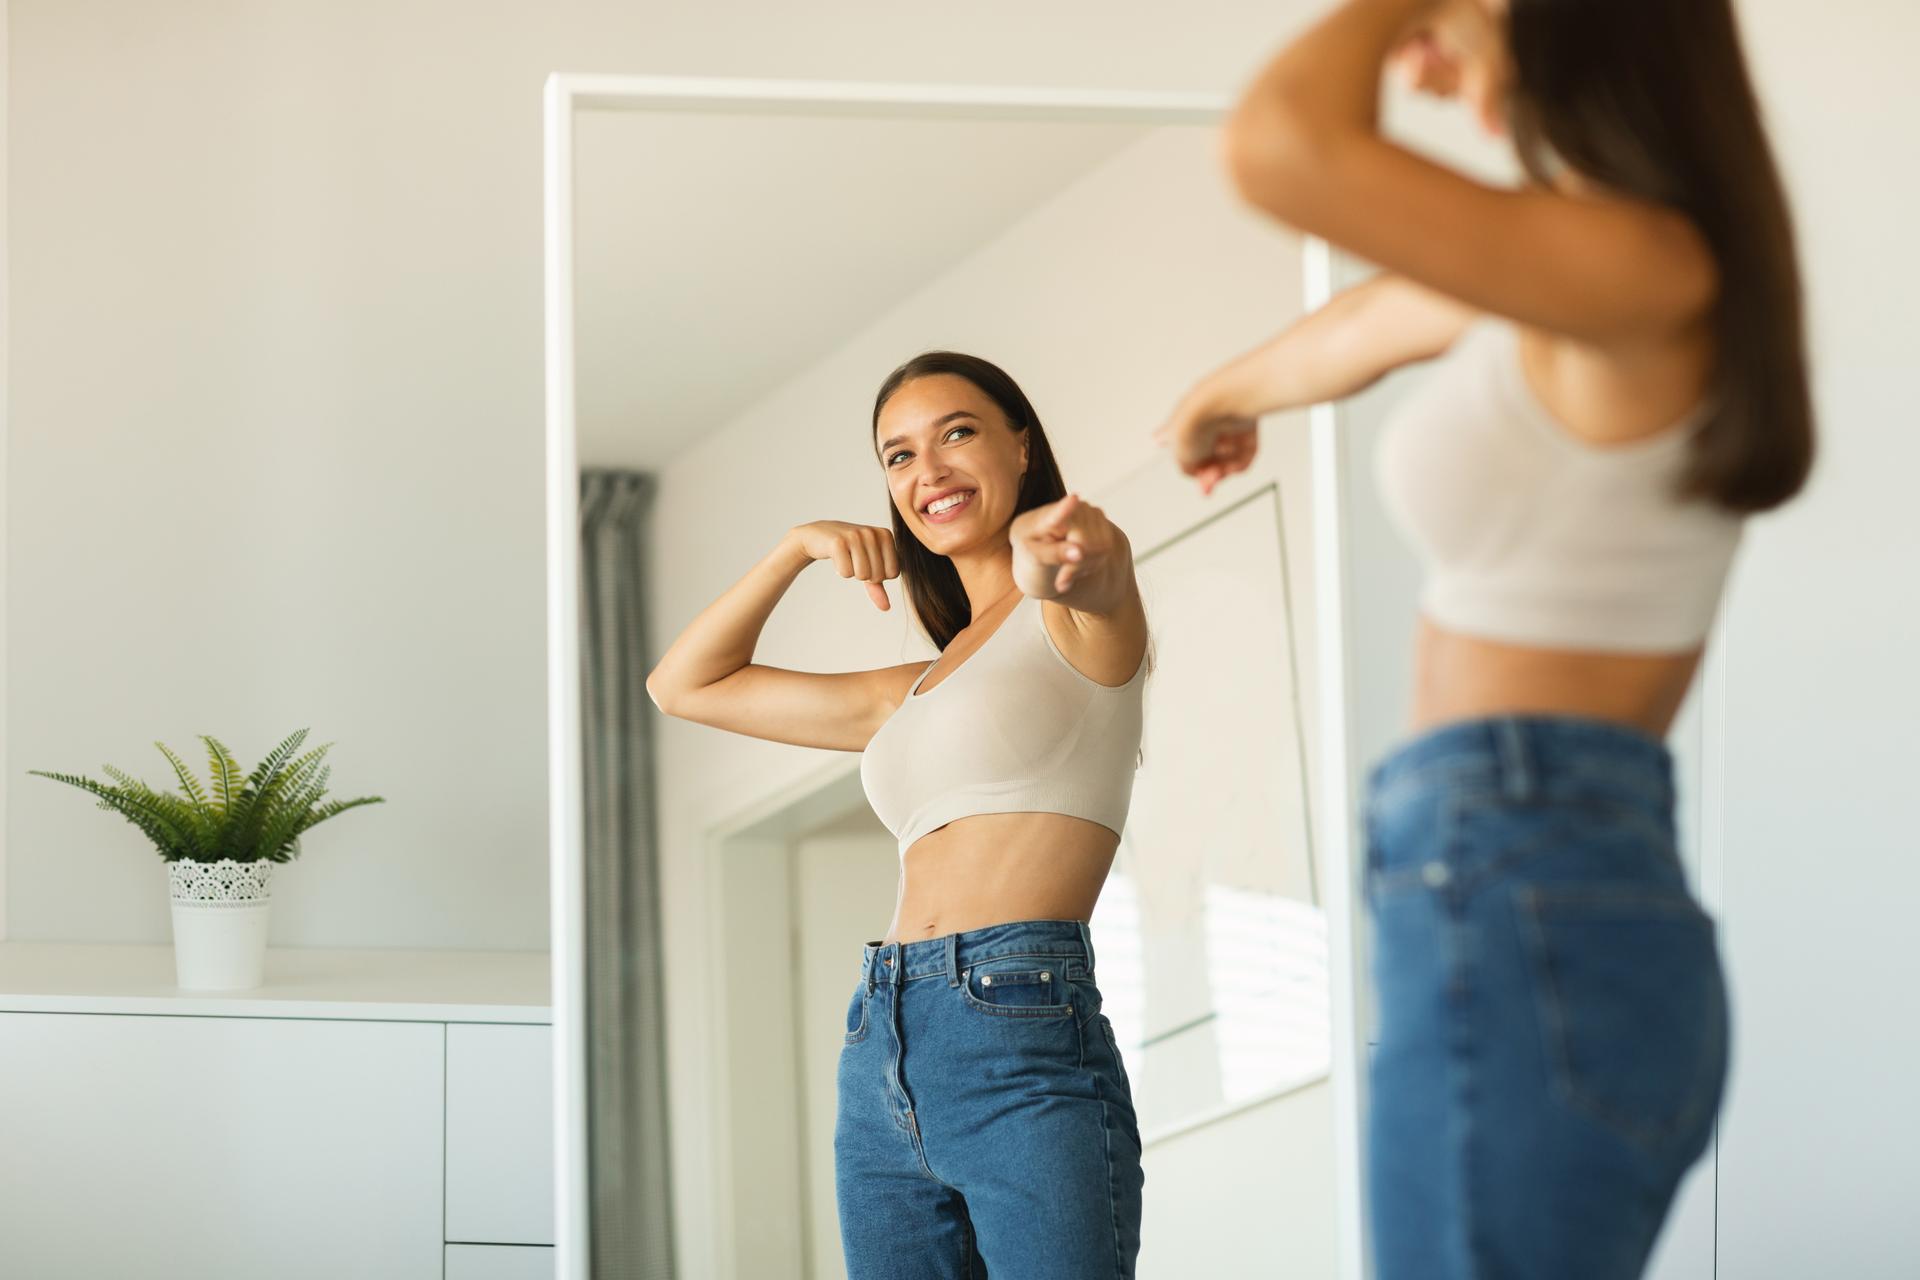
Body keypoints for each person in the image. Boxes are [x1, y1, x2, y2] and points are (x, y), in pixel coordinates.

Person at [1158, 1, 1814, 1275]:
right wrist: (1222, 394)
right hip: (1521, 877)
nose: (1414, 54)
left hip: (1528, 870)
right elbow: (1370, 322)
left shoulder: (1642, 264)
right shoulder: (1581, 270)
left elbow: (1278, 146)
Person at [648, 351, 1150, 1278]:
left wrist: (1072, 546)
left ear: (1021, 443)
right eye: (900, 456)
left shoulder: (1074, 621)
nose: (930, 472)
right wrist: (791, 551)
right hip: (880, 1035)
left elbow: (1102, 568)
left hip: (1018, 1018)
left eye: (957, 433)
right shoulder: (913, 689)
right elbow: (683, 685)